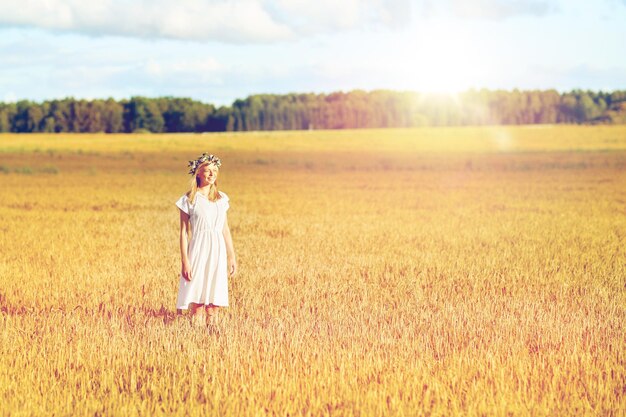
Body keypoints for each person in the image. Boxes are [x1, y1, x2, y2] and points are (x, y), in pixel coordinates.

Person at [174, 153, 237, 326]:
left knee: (214, 304)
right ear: (198, 173)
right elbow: (183, 233)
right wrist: (185, 261)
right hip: (198, 251)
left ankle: (213, 338)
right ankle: (196, 338)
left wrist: (231, 257)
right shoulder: (189, 199)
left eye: (214, 171)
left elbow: (224, 229)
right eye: (207, 170)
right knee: (199, 303)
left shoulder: (221, 199)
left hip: (217, 251)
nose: (211, 174)